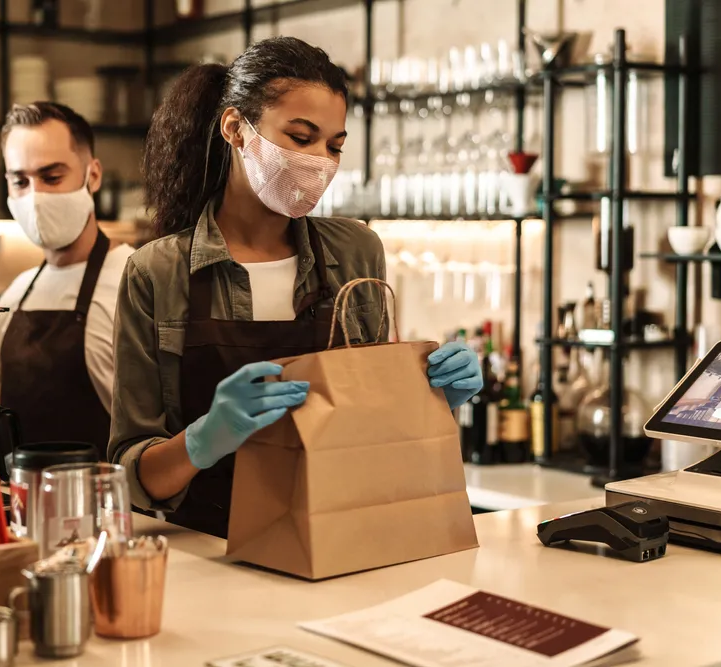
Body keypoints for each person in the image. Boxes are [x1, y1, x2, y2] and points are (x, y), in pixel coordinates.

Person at [107, 37, 482, 538]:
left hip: (341, 538)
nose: (320, 161)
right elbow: (132, 477)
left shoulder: (356, 252)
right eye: (301, 137)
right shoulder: (157, 272)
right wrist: (204, 438)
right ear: (236, 129)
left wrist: (431, 395)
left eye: (334, 145)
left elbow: (377, 431)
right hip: (209, 555)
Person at [0, 102, 134, 452]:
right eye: (20, 181)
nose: (35, 197)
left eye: (52, 177)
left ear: (92, 176)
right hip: (21, 499)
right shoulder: (18, 293)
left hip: (102, 501)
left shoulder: (134, 281)